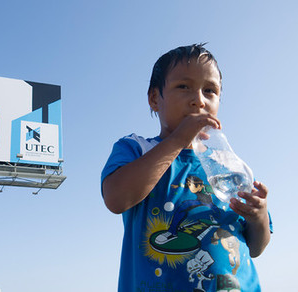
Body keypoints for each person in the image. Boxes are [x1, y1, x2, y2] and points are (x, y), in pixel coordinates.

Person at [101, 44, 272, 292]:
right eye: (184, 87)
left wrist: (259, 217)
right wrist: (177, 141)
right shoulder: (137, 149)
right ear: (154, 99)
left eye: (210, 91)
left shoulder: (230, 164)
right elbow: (116, 199)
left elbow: (256, 247)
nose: (198, 101)